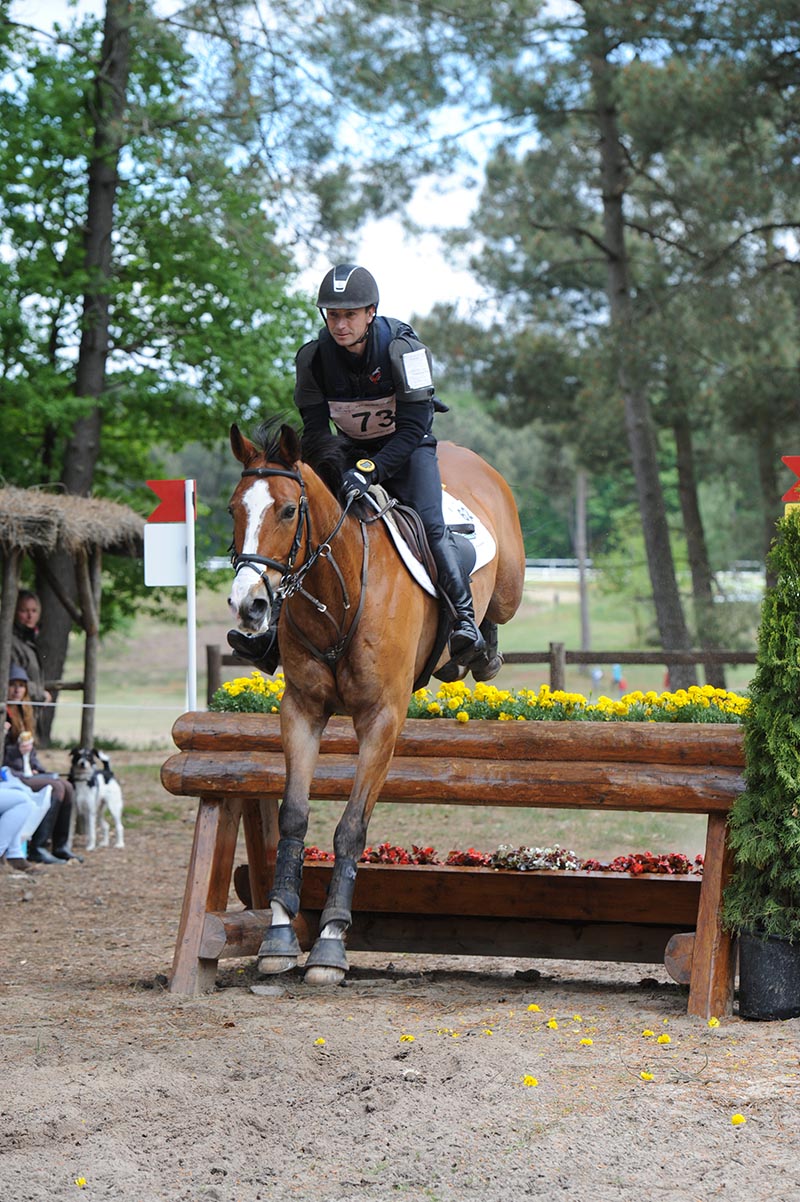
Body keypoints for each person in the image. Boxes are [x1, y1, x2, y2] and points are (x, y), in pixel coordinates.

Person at [229, 263, 488, 675]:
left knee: (430, 522)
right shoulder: (312, 358)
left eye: (349, 315)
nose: (340, 324)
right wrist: (336, 469)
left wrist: (370, 470)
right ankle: (269, 629)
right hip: (346, 449)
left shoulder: (406, 350)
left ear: (371, 313)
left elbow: (415, 426)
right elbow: (315, 432)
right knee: (305, 524)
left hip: (407, 448)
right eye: (333, 315)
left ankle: (467, 622)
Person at [5, 665, 80, 864]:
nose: (17, 690)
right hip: (10, 774)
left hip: (27, 771)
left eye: (21, 685)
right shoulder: (4, 714)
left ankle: (61, 846)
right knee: (55, 788)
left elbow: (31, 752)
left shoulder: (25, 713)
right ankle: (38, 846)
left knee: (67, 786)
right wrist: (14, 750)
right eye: (13, 684)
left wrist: (40, 769)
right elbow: (6, 755)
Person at [11, 590, 52, 736]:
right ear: (14, 611)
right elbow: (13, 680)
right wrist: (39, 694)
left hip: (28, 714)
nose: (30, 616)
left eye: (34, 611)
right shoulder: (10, 643)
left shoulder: (29, 641)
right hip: (14, 717)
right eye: (24, 610)